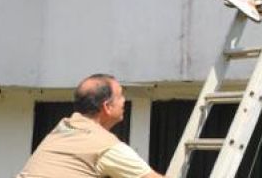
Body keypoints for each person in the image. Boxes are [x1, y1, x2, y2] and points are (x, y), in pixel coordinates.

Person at [17, 74, 162, 178]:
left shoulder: (62, 129)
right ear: (107, 107)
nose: (124, 101)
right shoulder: (106, 146)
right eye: (120, 96)